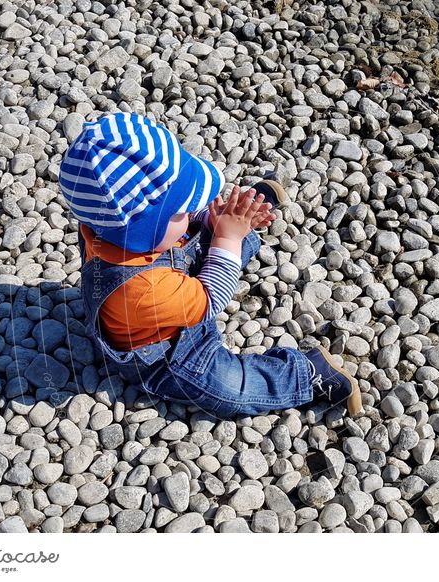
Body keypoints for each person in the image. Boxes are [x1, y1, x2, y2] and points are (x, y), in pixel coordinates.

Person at [58, 112, 362, 418]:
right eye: (183, 209)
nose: (192, 210)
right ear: (141, 233)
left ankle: (240, 216)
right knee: (231, 389)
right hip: (169, 351)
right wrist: (226, 237)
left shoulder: (104, 227)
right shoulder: (141, 290)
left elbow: (170, 226)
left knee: (218, 231)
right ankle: (304, 374)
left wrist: (210, 219)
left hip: (167, 281)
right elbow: (212, 298)